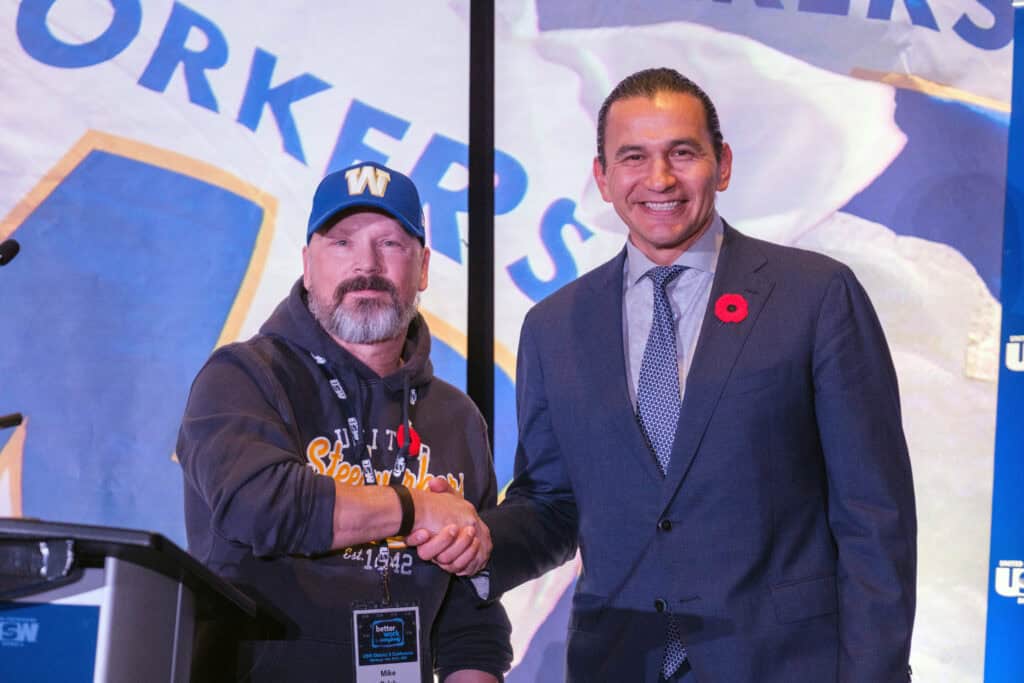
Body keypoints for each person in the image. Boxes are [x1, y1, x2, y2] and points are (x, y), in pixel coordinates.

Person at [424, 68, 917, 681]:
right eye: (633, 157)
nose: (659, 179)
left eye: (682, 153)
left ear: (724, 164)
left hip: (786, 664)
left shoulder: (814, 296)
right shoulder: (554, 327)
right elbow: (553, 505)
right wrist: (479, 540)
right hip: (619, 661)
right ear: (602, 177)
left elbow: (875, 514)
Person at [176, 161, 511, 683]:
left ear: (422, 268)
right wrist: (416, 508)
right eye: (342, 242)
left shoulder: (456, 417)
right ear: (308, 266)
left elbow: (473, 619)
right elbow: (263, 508)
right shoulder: (242, 377)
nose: (367, 265)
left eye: (391, 243)